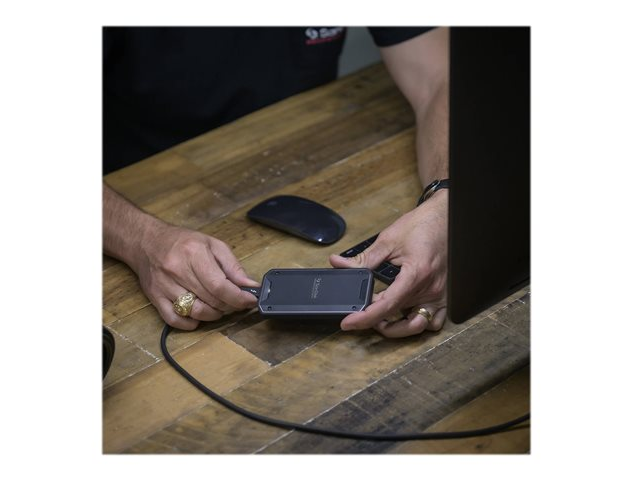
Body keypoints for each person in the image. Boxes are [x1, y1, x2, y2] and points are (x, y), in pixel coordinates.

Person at [103, 26, 448, 338]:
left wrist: (446, 202)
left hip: (309, 147)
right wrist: (142, 239)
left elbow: (440, 74)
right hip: (138, 188)